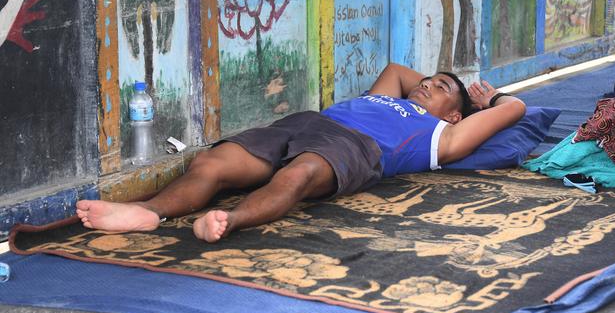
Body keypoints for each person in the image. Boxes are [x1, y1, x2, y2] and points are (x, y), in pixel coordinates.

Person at [77, 63, 525, 242]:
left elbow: (517, 108)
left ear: (454, 116)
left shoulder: (439, 135)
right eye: (429, 78)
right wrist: (437, 85)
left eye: (441, 87)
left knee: (298, 175)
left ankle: (229, 221)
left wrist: (485, 102)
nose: (426, 83)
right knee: (213, 162)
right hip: (309, 122)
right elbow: (398, 71)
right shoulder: (390, 94)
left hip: (352, 148)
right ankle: (148, 211)